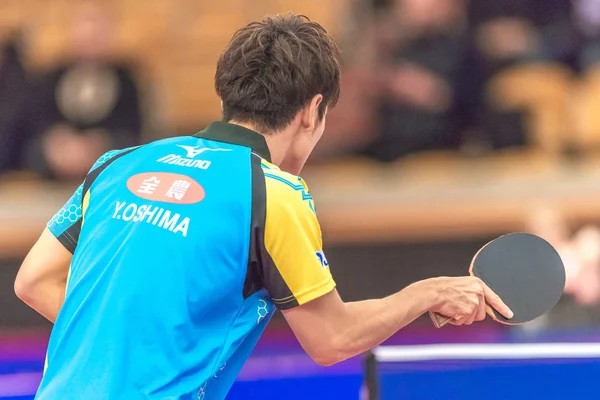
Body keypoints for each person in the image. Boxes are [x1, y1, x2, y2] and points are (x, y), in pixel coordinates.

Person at [14, 14, 512, 400]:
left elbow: (33, 281)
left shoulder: (118, 164)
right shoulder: (273, 193)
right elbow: (332, 339)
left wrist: (137, 343)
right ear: (313, 111)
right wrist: (427, 293)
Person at [6, 1, 143, 181]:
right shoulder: (51, 78)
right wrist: (57, 146)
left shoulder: (127, 80)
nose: (90, 34)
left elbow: (135, 131)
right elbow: (33, 127)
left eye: (97, 26)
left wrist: (100, 146)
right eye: (84, 24)